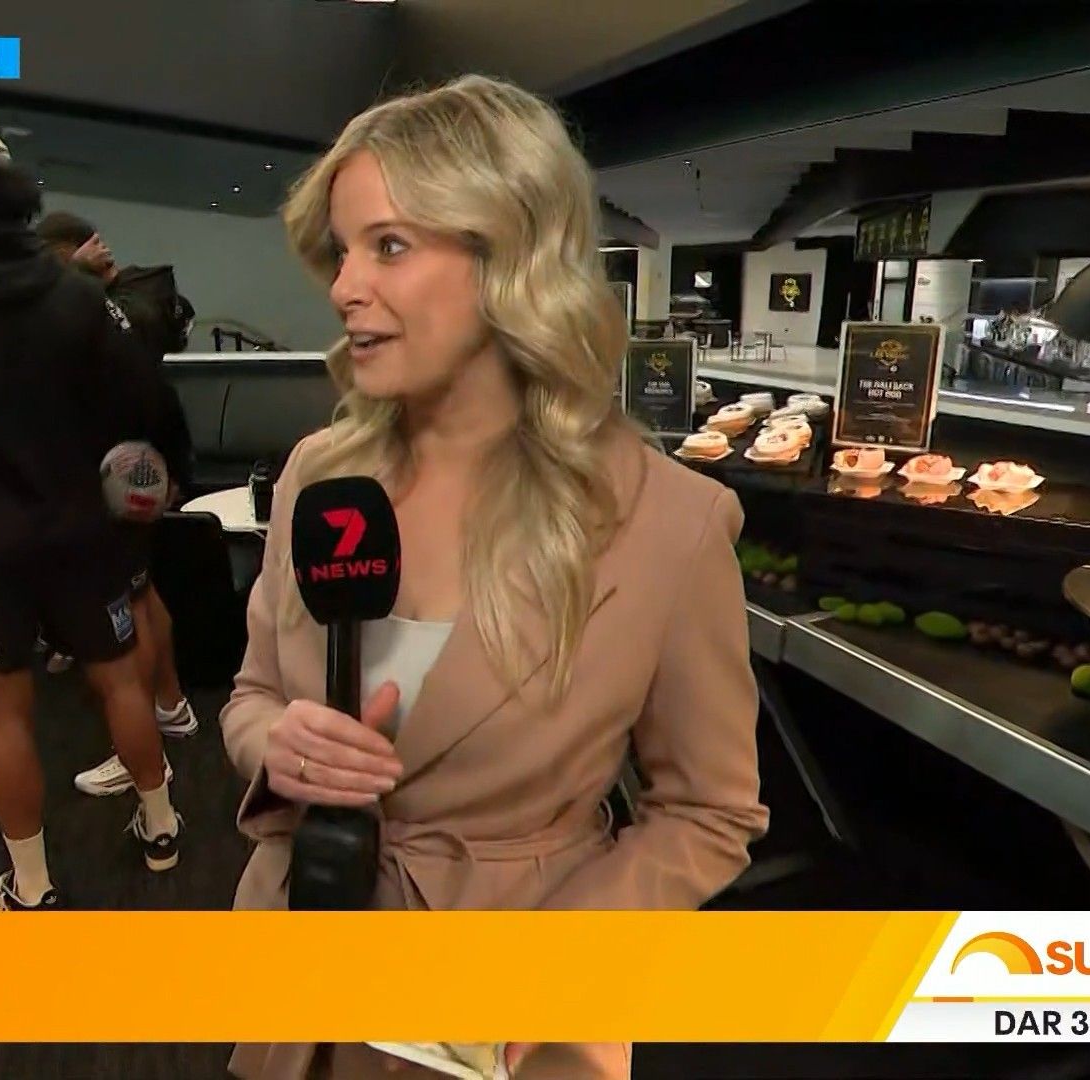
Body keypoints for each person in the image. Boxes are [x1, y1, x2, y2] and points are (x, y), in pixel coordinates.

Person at [220, 77, 768, 1079]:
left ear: (511, 259)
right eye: (341, 251)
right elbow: (251, 694)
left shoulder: (670, 523)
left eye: (389, 246)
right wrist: (277, 745)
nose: (344, 288)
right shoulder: (318, 476)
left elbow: (710, 812)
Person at [0, 125, 187, 910]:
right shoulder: (77, 293)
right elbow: (141, 401)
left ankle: (31, 886)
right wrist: (136, 494)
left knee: (6, 715)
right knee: (119, 680)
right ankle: (161, 827)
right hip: (81, 528)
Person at [34, 211, 201, 797]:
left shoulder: (98, 315)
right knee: (141, 591)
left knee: (123, 613)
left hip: (109, 481)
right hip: (135, 471)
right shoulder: (119, 308)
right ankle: (171, 706)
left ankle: (143, 752)